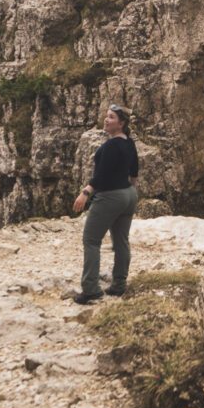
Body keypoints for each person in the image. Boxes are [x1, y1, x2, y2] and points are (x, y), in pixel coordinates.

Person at [72, 104, 139, 304]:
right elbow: (134, 171)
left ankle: (91, 289)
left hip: (110, 196)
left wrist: (85, 193)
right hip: (129, 195)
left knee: (91, 240)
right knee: (121, 241)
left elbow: (101, 176)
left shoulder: (110, 146)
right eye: (106, 116)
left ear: (121, 123)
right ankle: (119, 285)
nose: (106, 120)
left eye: (111, 117)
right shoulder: (129, 143)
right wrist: (129, 190)